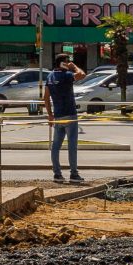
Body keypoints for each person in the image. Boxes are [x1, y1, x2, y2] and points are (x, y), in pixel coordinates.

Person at [39, 54, 84, 184]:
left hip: (58, 116)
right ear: (62, 63)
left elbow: (46, 97)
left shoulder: (50, 76)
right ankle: (74, 174)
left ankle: (57, 174)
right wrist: (74, 67)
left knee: (56, 146)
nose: (69, 63)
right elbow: (82, 75)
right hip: (70, 115)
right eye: (67, 61)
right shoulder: (67, 75)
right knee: (72, 146)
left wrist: (50, 115)